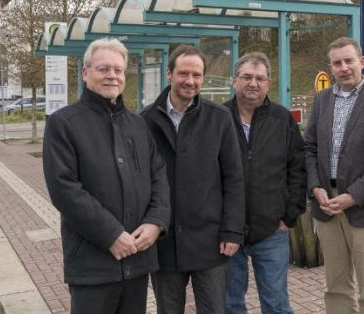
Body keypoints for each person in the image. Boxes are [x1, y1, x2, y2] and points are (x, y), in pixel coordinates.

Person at [42, 38, 170, 314]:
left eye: (118, 70)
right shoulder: (63, 124)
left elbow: (158, 175)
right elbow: (64, 189)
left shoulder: (138, 124)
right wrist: (111, 235)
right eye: (103, 69)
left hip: (138, 258)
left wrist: (156, 222)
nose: (112, 75)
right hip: (93, 262)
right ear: (86, 72)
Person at [141, 44, 245, 314]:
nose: (190, 81)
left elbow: (233, 178)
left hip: (210, 242)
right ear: (169, 74)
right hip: (164, 243)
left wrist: (232, 230)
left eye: (197, 75)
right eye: (183, 73)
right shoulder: (145, 121)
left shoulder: (219, 118)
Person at [305, 37, 364, 314]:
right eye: (337, 63)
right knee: (335, 286)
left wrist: (353, 196)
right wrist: (315, 187)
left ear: (362, 62)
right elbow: (309, 147)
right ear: (331, 67)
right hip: (326, 204)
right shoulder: (322, 100)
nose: (344, 67)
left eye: (349, 61)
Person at [223, 52, 306, 314]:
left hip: (272, 229)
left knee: (276, 303)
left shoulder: (282, 119)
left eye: (260, 78)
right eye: (247, 77)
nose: (253, 83)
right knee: (230, 303)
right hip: (227, 230)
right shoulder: (217, 117)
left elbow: (298, 168)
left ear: (268, 83)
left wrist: (289, 217)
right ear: (234, 80)